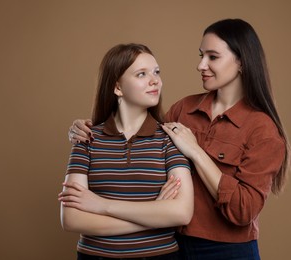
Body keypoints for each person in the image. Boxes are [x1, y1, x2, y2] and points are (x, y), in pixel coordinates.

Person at [68, 19, 291, 260]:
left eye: (212, 57)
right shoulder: (183, 110)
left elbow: (243, 210)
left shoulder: (263, 130)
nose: (201, 65)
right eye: (201, 55)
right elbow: (137, 138)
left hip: (226, 251)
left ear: (241, 62)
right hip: (171, 245)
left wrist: (196, 152)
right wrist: (82, 129)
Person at [59, 43, 194, 260]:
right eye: (142, 74)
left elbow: (182, 213)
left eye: (156, 72)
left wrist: (102, 205)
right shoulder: (86, 138)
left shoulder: (170, 139)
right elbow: (72, 219)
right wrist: (153, 213)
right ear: (118, 88)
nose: (155, 80)